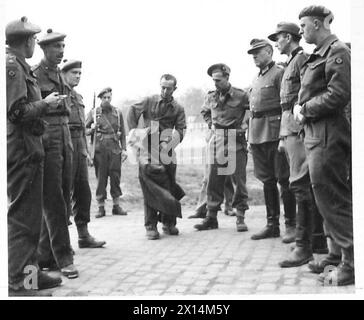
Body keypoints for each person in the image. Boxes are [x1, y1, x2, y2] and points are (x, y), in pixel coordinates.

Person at [294, 5, 353, 285]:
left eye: (304, 25)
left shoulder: (337, 51)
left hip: (328, 135)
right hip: (316, 134)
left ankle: (352, 262)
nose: (301, 30)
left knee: (333, 198)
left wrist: (305, 109)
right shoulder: (317, 55)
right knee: (324, 197)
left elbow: (338, 94)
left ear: (317, 24)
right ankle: (336, 255)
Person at [6, 17, 62, 292]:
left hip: (31, 150)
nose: (33, 44)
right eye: (32, 40)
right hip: (23, 152)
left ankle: (31, 274)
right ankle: (21, 281)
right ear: (26, 41)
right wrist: (45, 104)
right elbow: (16, 112)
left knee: (31, 219)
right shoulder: (12, 68)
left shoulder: (20, 66)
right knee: (23, 220)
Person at [267, 22, 328, 267]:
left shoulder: (301, 59)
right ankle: (316, 240)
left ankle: (305, 247)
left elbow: (305, 96)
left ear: (289, 37)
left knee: (301, 183)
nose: (276, 43)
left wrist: (298, 129)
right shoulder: (291, 62)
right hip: (289, 126)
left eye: (279, 38)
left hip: (298, 127)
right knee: (302, 183)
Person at [32, 28, 78, 279]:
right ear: (44, 49)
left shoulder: (59, 75)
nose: (61, 51)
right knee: (53, 199)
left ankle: (45, 254)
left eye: (62, 47)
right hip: (48, 137)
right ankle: (64, 256)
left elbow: (66, 107)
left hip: (65, 136)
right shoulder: (34, 74)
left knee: (64, 192)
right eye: (56, 47)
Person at [246, 39, 297, 241]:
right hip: (258, 133)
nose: (254, 56)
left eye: (257, 52)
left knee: (284, 179)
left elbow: (287, 105)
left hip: (276, 132)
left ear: (269, 51)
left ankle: (291, 224)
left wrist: (284, 134)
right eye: (252, 53)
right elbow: (253, 109)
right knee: (267, 181)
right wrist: (250, 138)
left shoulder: (279, 73)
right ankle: (272, 224)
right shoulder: (256, 78)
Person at [127, 74, 186, 240]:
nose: (165, 90)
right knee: (150, 188)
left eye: (168, 88)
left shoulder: (178, 108)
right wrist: (135, 133)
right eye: (162, 87)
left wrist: (169, 143)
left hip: (167, 151)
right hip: (147, 149)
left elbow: (181, 130)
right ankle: (151, 226)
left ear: (175, 88)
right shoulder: (149, 101)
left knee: (169, 185)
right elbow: (132, 110)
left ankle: (169, 223)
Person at [194, 64, 249, 232]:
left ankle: (240, 216)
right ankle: (211, 217)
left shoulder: (241, 95)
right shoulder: (211, 97)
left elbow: (249, 113)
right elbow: (204, 112)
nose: (215, 83)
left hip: (235, 139)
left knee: (239, 180)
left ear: (227, 78)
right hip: (217, 139)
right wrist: (211, 124)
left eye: (218, 80)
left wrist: (244, 125)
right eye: (213, 80)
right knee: (213, 179)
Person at [61, 59, 106, 248]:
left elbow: (81, 129)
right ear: (63, 74)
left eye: (80, 73)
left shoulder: (78, 97)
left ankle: (83, 234)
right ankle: (61, 243)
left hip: (79, 146)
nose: (78, 76)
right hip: (64, 144)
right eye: (74, 73)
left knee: (83, 192)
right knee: (63, 194)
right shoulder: (58, 95)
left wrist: (86, 151)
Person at [85, 87, 128, 218]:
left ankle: (116, 206)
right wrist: (92, 129)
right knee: (101, 178)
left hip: (115, 149)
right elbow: (84, 130)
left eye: (109, 97)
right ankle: (101, 207)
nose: (107, 100)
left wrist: (124, 149)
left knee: (115, 177)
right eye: (104, 98)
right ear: (100, 99)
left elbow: (123, 133)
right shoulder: (94, 113)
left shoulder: (117, 112)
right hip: (100, 149)